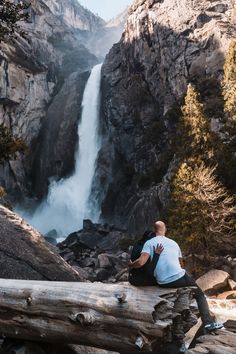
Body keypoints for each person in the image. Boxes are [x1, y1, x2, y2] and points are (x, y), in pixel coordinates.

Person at [128, 221, 223, 331]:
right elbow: (181, 264)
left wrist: (130, 264)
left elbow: (140, 263)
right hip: (179, 278)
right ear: (165, 230)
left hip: (162, 282)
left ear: (155, 230)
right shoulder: (174, 243)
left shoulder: (149, 243)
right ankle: (208, 323)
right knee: (200, 294)